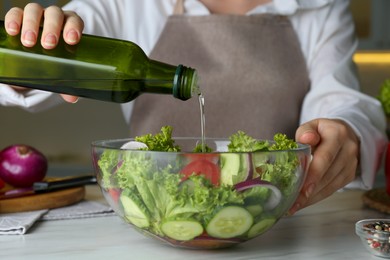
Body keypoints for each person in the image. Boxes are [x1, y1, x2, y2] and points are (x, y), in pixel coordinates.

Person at [1, 0, 387, 215]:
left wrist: (344, 130)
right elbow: (31, 75)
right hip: (151, 220)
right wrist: (34, 51)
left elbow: (340, 98)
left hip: (275, 222)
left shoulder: (319, 7)